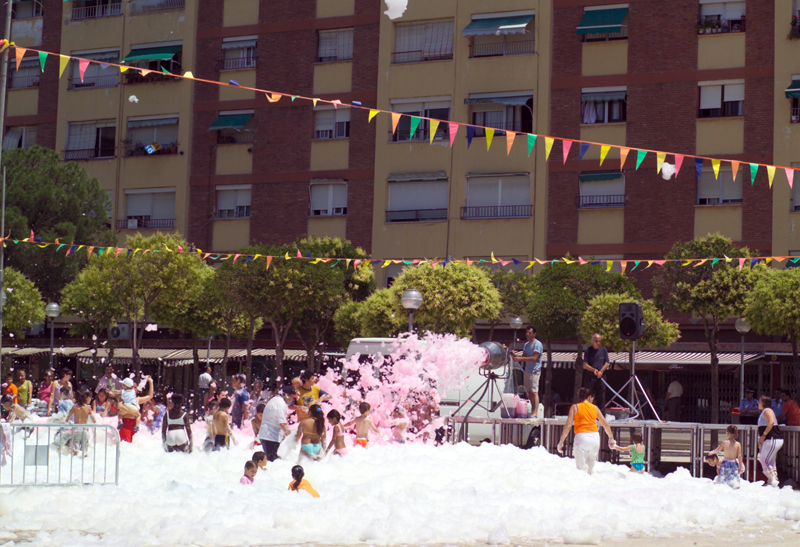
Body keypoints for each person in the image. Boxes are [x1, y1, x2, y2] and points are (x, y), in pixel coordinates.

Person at [557, 388, 616, 475]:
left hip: (581, 438)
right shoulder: (595, 408)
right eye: (592, 398)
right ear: (589, 397)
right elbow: (605, 424)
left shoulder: (575, 407)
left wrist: (561, 441)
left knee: (581, 471)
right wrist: (611, 438)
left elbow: (568, 425)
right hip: (595, 438)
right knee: (590, 471)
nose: (592, 400)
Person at [257, 386, 297, 461]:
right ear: (286, 395)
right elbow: (282, 424)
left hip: (269, 435)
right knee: (274, 462)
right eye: (292, 397)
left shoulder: (276, 400)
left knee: (274, 462)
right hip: (270, 437)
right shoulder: (281, 404)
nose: (293, 400)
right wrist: (292, 436)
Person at [512, 325, 543, 412]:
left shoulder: (538, 344)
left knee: (534, 392)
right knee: (528, 392)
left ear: (534, 334)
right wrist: (515, 355)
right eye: (526, 332)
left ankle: (535, 412)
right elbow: (523, 357)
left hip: (535, 371)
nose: (527, 334)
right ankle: (531, 411)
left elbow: (534, 358)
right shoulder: (526, 345)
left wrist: (520, 358)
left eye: (530, 333)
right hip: (527, 370)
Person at [116, 376, 154, 443]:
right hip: (125, 424)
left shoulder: (137, 399)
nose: (134, 389)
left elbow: (150, 396)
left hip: (135, 426)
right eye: (132, 387)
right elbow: (119, 407)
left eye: (135, 387)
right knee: (126, 446)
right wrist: (134, 412)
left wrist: (151, 382)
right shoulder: (123, 399)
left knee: (135, 447)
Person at [757, 395, 783, 487]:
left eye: (759, 401)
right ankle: (771, 481)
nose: (758, 403)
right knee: (770, 460)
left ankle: (773, 479)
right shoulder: (765, 411)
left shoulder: (767, 410)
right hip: (771, 440)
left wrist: (763, 435)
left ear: (763, 402)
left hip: (772, 438)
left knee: (763, 459)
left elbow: (771, 422)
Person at [582, 334, 610, 410]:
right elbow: (585, 364)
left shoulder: (603, 350)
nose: (598, 343)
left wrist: (601, 371)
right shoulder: (588, 350)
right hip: (590, 377)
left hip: (601, 377)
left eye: (599, 341)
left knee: (601, 397)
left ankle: (601, 417)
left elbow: (607, 363)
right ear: (592, 341)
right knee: (588, 396)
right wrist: (594, 370)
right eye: (596, 341)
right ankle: (587, 414)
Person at [66, 390, 95, 456]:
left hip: (77, 428)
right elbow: (94, 420)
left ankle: (75, 459)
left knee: (75, 446)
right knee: (85, 447)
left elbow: (67, 419)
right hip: (84, 428)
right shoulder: (88, 408)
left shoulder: (75, 407)